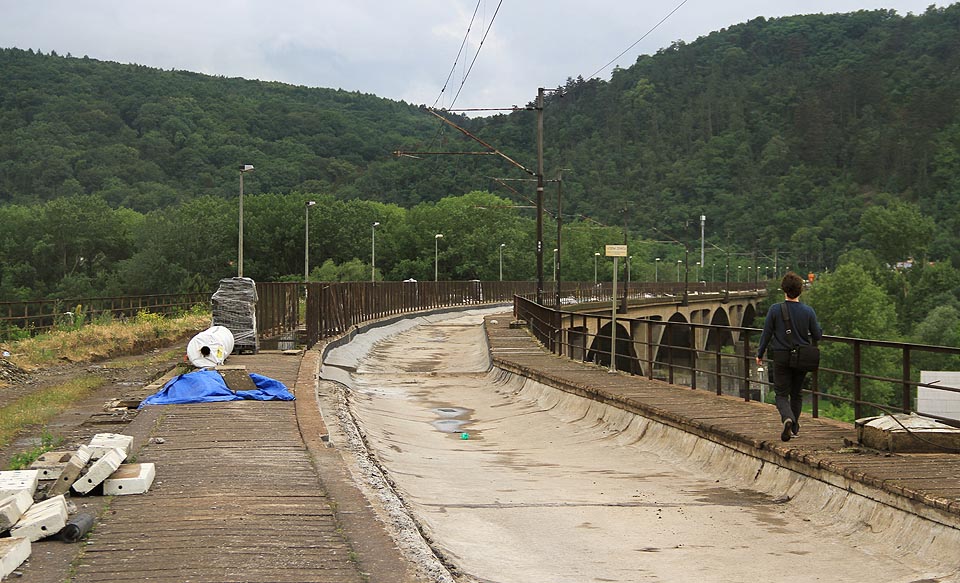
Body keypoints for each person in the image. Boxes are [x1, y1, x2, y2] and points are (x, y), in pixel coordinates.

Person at [755, 272, 823, 442]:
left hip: (781, 356)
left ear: (783, 289)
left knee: (781, 393)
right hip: (801, 356)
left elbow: (767, 333)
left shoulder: (775, 309)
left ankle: (787, 418)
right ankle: (794, 427)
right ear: (800, 290)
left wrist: (760, 353)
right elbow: (817, 334)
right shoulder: (808, 311)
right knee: (797, 393)